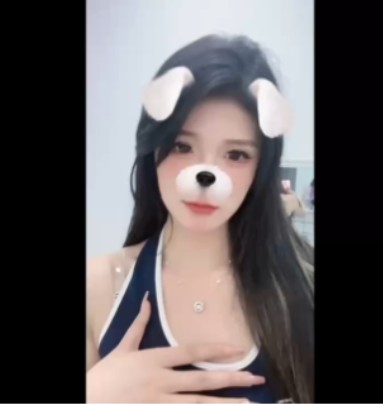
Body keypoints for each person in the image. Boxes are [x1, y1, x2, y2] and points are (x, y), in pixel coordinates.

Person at [86, 34, 314, 403]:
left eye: (236, 155)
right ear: (153, 149)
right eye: (182, 146)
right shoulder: (98, 286)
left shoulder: (304, 284)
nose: (207, 171)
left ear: (261, 168)